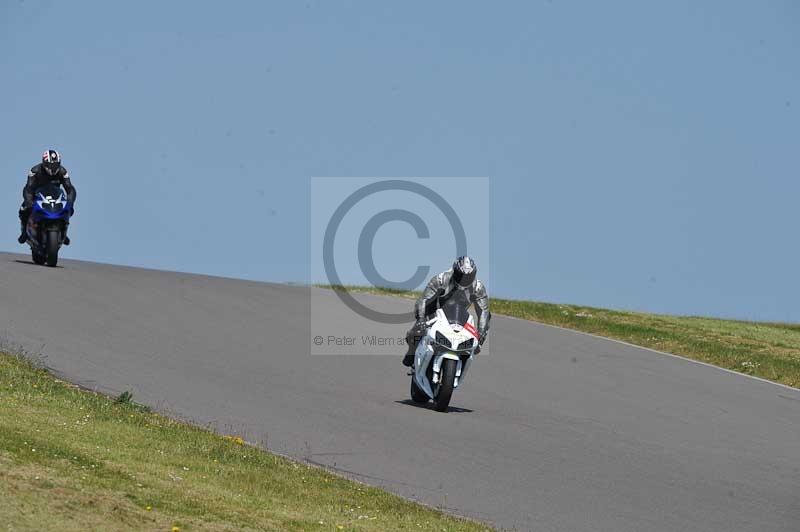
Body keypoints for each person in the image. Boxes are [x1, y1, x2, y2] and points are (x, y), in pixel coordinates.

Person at [402, 256, 491, 367]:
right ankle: (411, 353)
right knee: (416, 332)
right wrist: (421, 318)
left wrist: (481, 333)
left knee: (475, 346)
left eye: (468, 277)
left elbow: (484, 312)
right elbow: (423, 299)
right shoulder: (441, 279)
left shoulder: (478, 287)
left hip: (459, 317)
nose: (464, 279)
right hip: (435, 311)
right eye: (461, 275)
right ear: (454, 271)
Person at [18, 150, 76, 245]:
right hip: (37, 195)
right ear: (44, 163)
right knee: (23, 210)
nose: (53, 168)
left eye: (56, 165)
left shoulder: (63, 171)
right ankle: (24, 232)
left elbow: (70, 189)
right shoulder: (34, 171)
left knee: (68, 210)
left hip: (56, 196)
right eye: (51, 165)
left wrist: (70, 203)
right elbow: (28, 189)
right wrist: (29, 202)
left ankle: (63, 231)